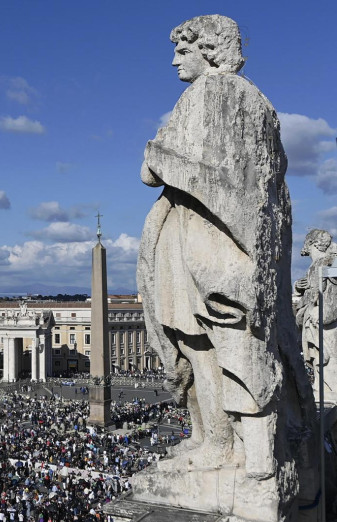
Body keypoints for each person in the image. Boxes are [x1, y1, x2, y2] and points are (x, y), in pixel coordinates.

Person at [137, 15, 309, 479]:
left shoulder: (209, 95)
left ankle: (232, 446)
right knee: (217, 345)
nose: (174, 59)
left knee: (215, 346)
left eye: (182, 50)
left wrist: (155, 154)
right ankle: (225, 441)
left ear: (209, 51)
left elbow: (158, 169)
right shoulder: (261, 103)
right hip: (218, 241)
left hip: (205, 241)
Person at [294, 229, 337, 400]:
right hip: (321, 321)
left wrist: (309, 309)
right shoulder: (323, 264)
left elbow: (317, 296)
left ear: (311, 244)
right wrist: (298, 287)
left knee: (325, 365)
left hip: (320, 322)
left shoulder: (322, 264)